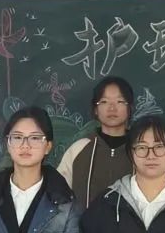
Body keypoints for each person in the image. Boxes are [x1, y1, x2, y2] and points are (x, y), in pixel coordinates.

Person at [58, 76, 135, 209]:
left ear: (130, 108)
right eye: (104, 102)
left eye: (120, 101)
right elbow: (58, 193)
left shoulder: (141, 150)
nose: (112, 108)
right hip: (84, 223)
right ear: (95, 109)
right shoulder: (79, 148)